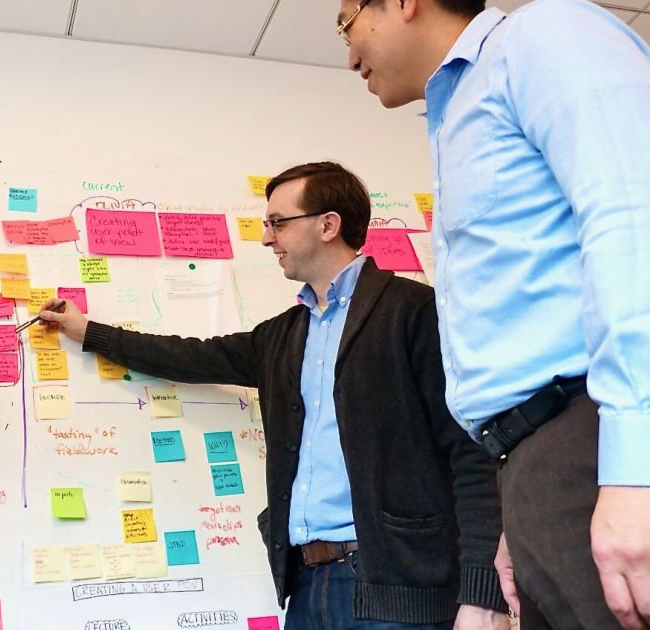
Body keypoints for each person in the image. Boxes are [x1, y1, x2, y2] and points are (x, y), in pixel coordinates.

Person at [336, 0, 650, 628]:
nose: (349, 55)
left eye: (347, 23)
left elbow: (636, 220)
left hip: (611, 435)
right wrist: (521, 506)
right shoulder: (455, 117)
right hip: (543, 462)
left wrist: (645, 471)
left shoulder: (541, 37)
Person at [39, 162, 508, 629]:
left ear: (328, 225)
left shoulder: (414, 312)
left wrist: (483, 596)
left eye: (278, 223)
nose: (266, 238)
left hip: (398, 590)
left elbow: (472, 454)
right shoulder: (284, 335)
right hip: (305, 586)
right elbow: (189, 357)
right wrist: (88, 331)